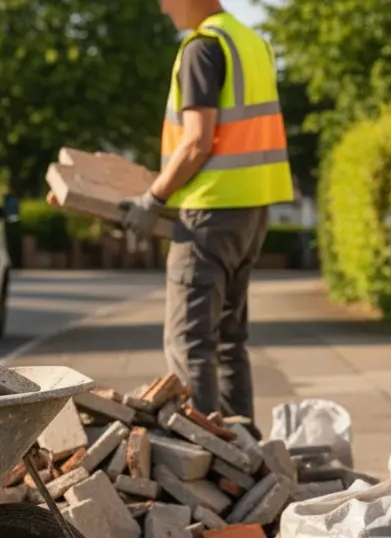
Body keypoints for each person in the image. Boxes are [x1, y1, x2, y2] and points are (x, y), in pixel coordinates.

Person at [120, 0, 295, 438]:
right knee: (228, 341)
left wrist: (153, 198)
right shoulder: (251, 42)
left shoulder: (203, 47)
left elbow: (197, 141)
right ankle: (245, 449)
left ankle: (204, 457)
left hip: (209, 216)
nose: (162, 8)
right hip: (251, 211)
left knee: (190, 341)